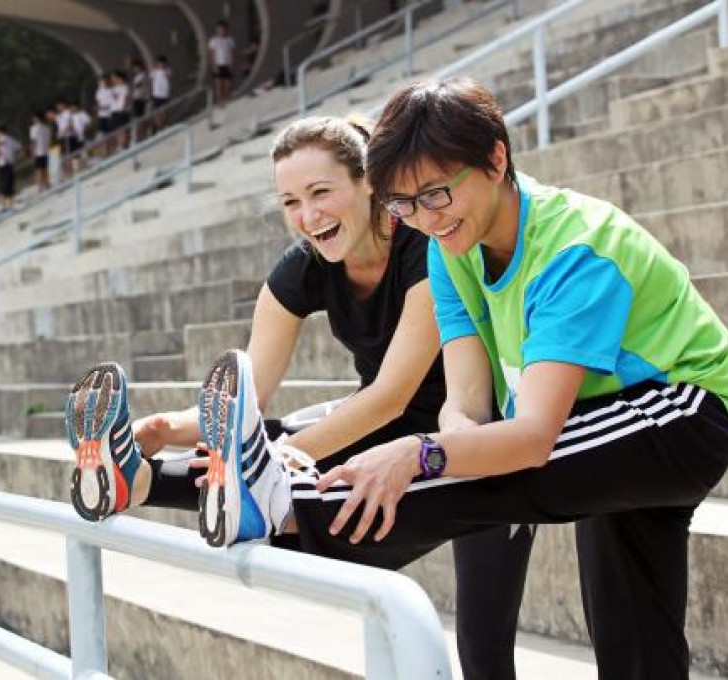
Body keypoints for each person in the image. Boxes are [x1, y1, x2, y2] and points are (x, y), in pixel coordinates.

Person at [185, 79, 728, 680]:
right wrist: (448, 447)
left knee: (494, 475)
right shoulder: (447, 246)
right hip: (596, 416)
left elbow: (533, 438)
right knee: (634, 637)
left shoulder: (573, 250)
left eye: (437, 194)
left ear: (496, 160)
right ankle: (267, 498)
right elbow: (466, 401)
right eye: (404, 205)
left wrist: (421, 454)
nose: (425, 218)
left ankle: (287, 507)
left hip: (683, 409)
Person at [64, 114, 538, 680]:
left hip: (471, 437)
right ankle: (136, 477)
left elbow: (392, 394)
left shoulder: (425, 246)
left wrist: (288, 456)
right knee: (265, 451)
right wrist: (168, 428)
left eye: (320, 193)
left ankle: (190, 477)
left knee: (484, 647)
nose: (307, 217)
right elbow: (251, 394)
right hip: (378, 429)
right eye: (290, 201)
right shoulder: (300, 269)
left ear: (369, 184)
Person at [209, 21, 235, 107]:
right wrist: (213, 66)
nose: (221, 31)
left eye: (223, 29)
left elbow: (231, 53)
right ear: (217, 30)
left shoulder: (229, 40)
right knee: (218, 85)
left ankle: (225, 99)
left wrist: (232, 64)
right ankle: (219, 101)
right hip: (218, 65)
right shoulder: (213, 40)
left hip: (227, 64)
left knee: (227, 84)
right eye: (219, 29)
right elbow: (212, 54)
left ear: (225, 29)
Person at [0, 124, 20, 211]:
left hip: (3, 164)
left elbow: (0, 151)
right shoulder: (11, 139)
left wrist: (5, 158)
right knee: (9, 185)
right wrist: (14, 158)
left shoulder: (1, 138)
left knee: (3, 186)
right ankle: (10, 205)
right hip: (10, 163)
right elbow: (19, 148)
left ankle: (4, 206)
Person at [110, 70, 131, 150]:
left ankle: (123, 146)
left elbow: (125, 99)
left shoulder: (124, 87)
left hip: (121, 111)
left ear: (119, 78)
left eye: (114, 77)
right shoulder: (114, 88)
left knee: (122, 130)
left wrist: (122, 108)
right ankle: (120, 144)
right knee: (117, 130)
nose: (112, 79)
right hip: (114, 111)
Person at [150, 55, 171, 133]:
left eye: (161, 63)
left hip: (164, 95)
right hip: (156, 95)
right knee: (156, 112)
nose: (159, 65)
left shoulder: (167, 71)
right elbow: (152, 79)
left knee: (164, 111)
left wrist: (164, 68)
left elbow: (168, 75)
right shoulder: (154, 72)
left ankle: (164, 125)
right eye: (158, 63)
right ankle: (159, 127)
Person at [30, 111, 51, 190]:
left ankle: (40, 186)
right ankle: (47, 184)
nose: (32, 119)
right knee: (45, 168)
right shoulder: (46, 127)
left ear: (37, 118)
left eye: (33, 118)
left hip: (38, 152)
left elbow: (33, 141)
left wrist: (33, 152)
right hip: (45, 151)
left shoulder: (33, 128)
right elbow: (48, 140)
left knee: (38, 170)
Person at [94, 74, 114, 154]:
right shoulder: (99, 91)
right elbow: (98, 103)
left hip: (110, 114)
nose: (103, 82)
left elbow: (114, 103)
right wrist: (98, 110)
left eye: (105, 80)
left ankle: (111, 150)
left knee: (110, 133)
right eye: (102, 81)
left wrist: (105, 108)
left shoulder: (113, 90)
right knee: (102, 134)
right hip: (102, 116)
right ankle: (104, 151)